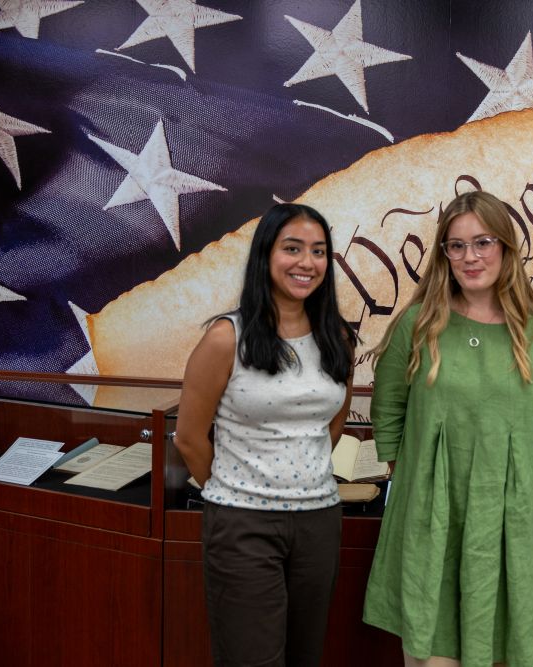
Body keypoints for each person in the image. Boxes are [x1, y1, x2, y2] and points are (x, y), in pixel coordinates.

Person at [362, 191, 533, 667]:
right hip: (429, 512)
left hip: (507, 519)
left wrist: (523, 476)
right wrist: (417, 475)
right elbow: (389, 410)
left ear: (505, 247)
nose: (470, 257)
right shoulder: (418, 325)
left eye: (482, 242)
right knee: (431, 648)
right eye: (456, 246)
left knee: (501, 643)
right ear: (443, 255)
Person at [174, 203, 356, 667]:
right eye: (292, 248)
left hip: (318, 521)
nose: (306, 263)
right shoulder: (224, 337)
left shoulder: (336, 336)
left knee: (304, 656)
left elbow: (329, 425)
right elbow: (190, 438)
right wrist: (242, 486)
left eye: (318, 251)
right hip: (242, 523)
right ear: (265, 256)